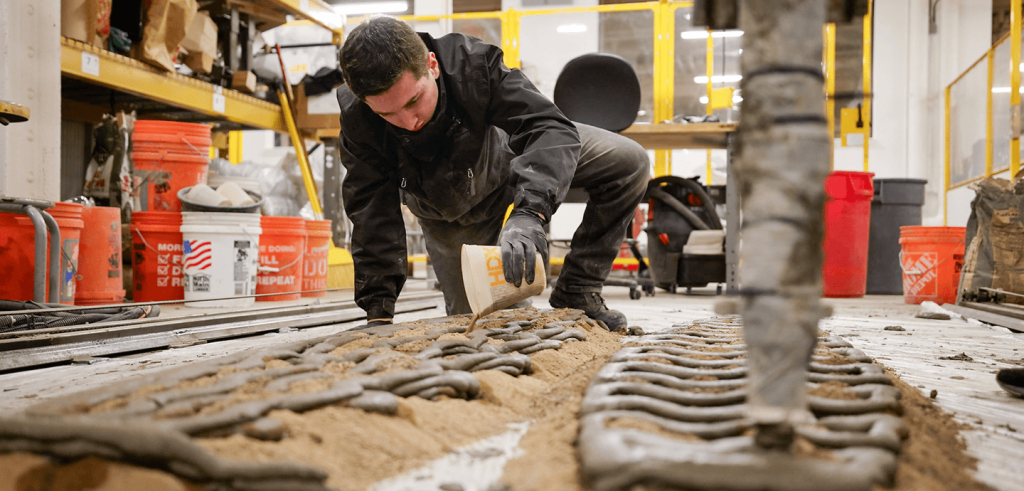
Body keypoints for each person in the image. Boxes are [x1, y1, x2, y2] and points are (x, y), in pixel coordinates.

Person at [337, 15, 649, 331]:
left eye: (414, 100)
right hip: (452, 211)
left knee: (628, 162)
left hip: (507, 158)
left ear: (432, 66)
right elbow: (371, 211)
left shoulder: (470, 65)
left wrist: (531, 213)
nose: (409, 121)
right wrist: (378, 311)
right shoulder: (359, 119)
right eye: (387, 114)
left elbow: (546, 126)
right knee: (489, 326)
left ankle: (578, 289)